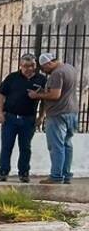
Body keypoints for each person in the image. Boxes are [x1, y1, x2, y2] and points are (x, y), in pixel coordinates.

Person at [0, 52, 46, 181]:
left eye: (32, 65)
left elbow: (45, 99)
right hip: (10, 117)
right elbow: (0, 95)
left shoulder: (41, 79)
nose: (29, 69)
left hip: (28, 119)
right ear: (20, 66)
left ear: (35, 65)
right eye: (25, 66)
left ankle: (24, 173)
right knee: (7, 146)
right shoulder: (12, 78)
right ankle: (3, 171)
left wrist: (41, 116)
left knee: (25, 147)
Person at [30, 51, 80, 184]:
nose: (45, 71)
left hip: (58, 114)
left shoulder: (57, 73)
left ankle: (56, 176)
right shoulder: (70, 68)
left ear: (49, 63)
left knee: (56, 146)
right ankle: (66, 174)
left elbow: (55, 95)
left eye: (44, 68)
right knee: (67, 144)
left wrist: (37, 95)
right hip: (72, 112)